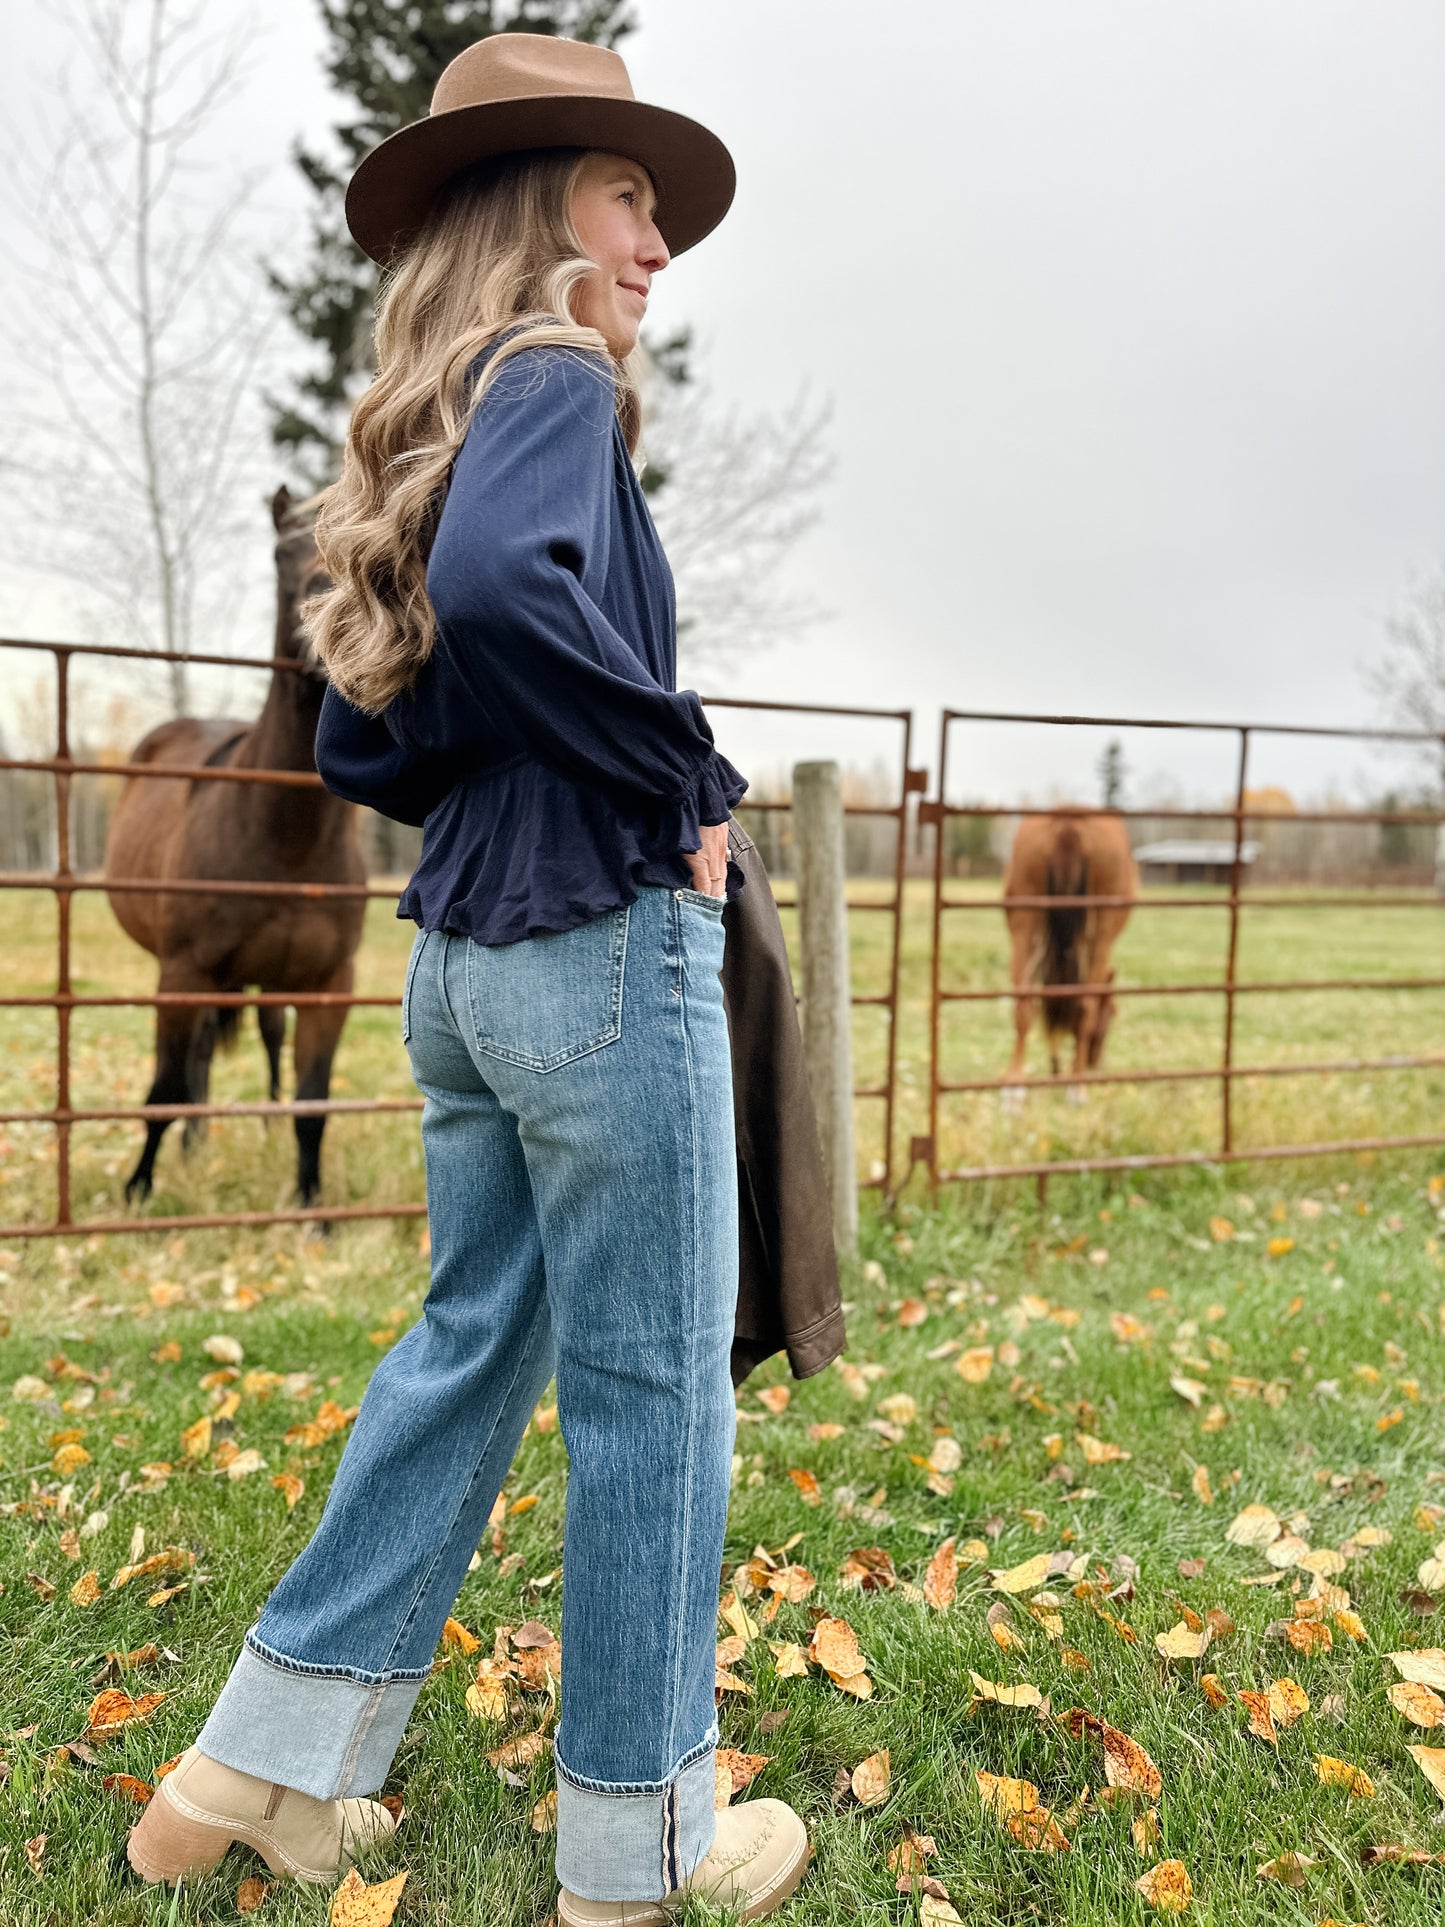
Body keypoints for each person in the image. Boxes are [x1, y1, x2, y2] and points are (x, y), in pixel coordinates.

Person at [124, 33, 812, 1926]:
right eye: (626, 201)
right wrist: (685, 776)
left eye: (661, 216)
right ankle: (640, 1849)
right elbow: (516, 599)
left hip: (461, 969)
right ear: (536, 210)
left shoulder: (428, 417)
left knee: (466, 1354)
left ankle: (247, 1772)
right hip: (595, 950)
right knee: (652, 1389)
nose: (656, 247)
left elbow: (370, 744)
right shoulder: (554, 372)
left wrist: (533, 762)